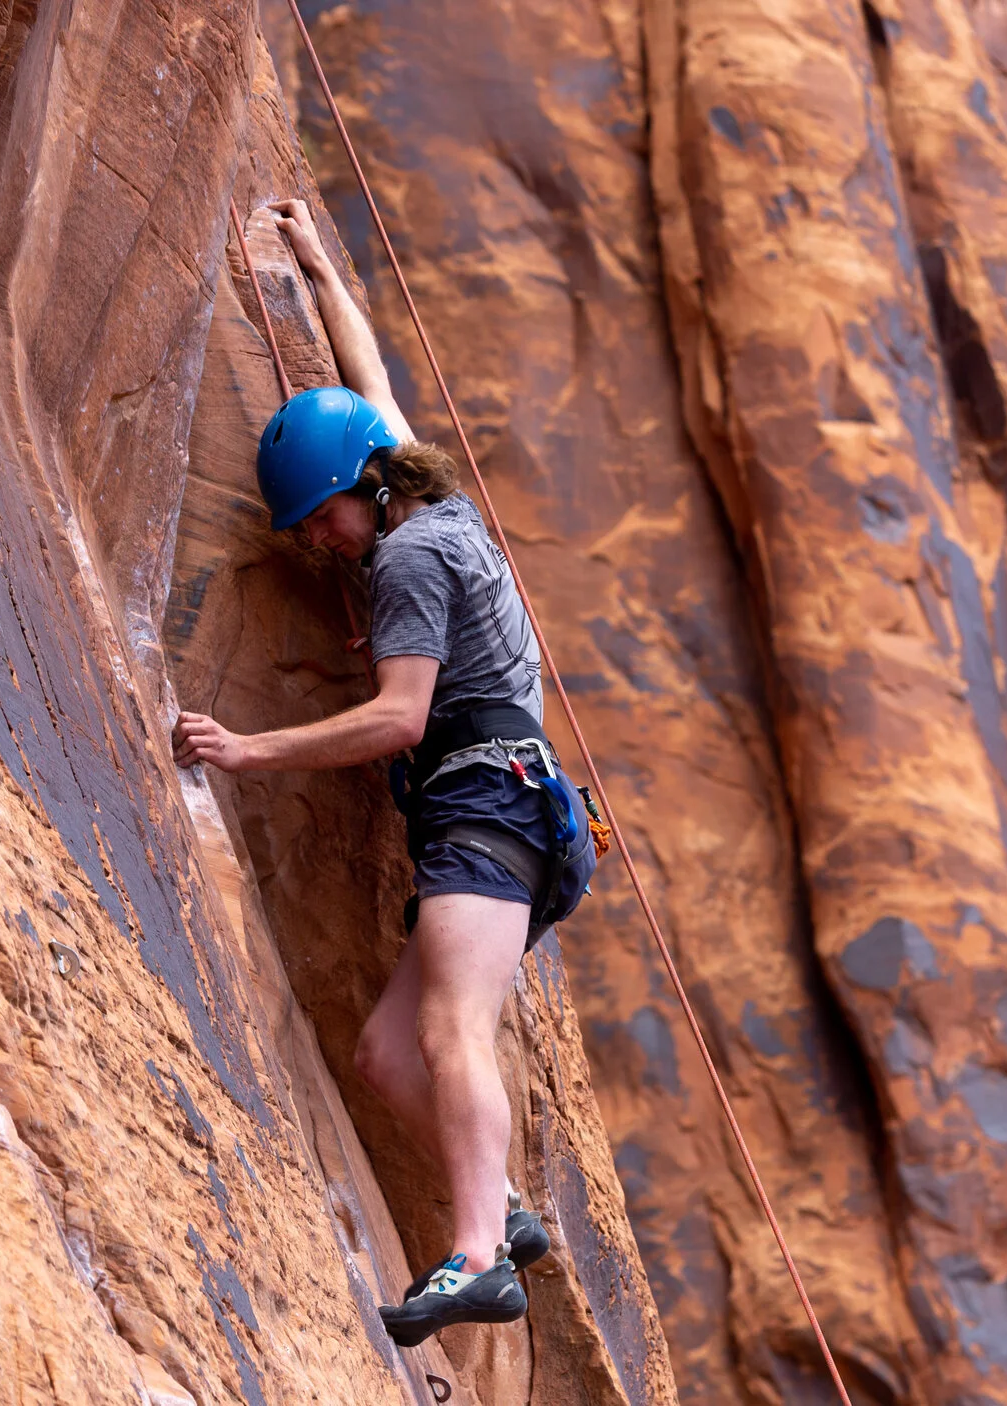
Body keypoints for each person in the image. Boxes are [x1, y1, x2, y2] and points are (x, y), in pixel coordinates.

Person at [172, 199, 595, 1347]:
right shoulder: (430, 503)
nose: (317, 539)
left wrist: (250, 750)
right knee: (381, 1050)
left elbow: (401, 716)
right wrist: (316, 267)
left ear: (363, 493)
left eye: (320, 519)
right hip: (504, 807)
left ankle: (474, 1255)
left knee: (454, 1030)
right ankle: (498, 1207)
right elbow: (374, 390)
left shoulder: (409, 550)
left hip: (485, 803)